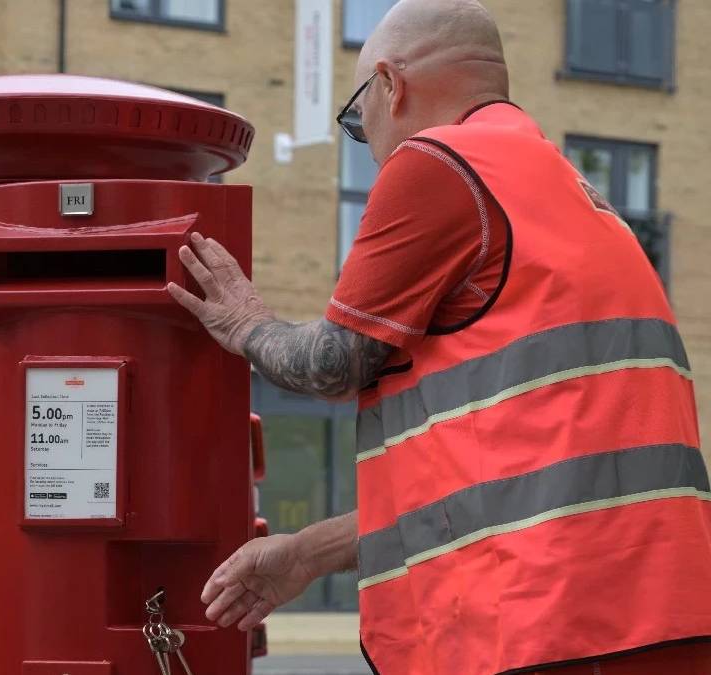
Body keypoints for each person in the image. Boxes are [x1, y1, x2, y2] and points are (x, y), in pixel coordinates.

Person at [166, 0, 711, 673]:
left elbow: (333, 363)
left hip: (551, 623)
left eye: (357, 122)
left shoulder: (441, 163)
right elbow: (495, 489)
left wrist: (246, 323)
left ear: (389, 86)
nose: (371, 151)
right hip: (652, 617)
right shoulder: (568, 190)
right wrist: (306, 554)